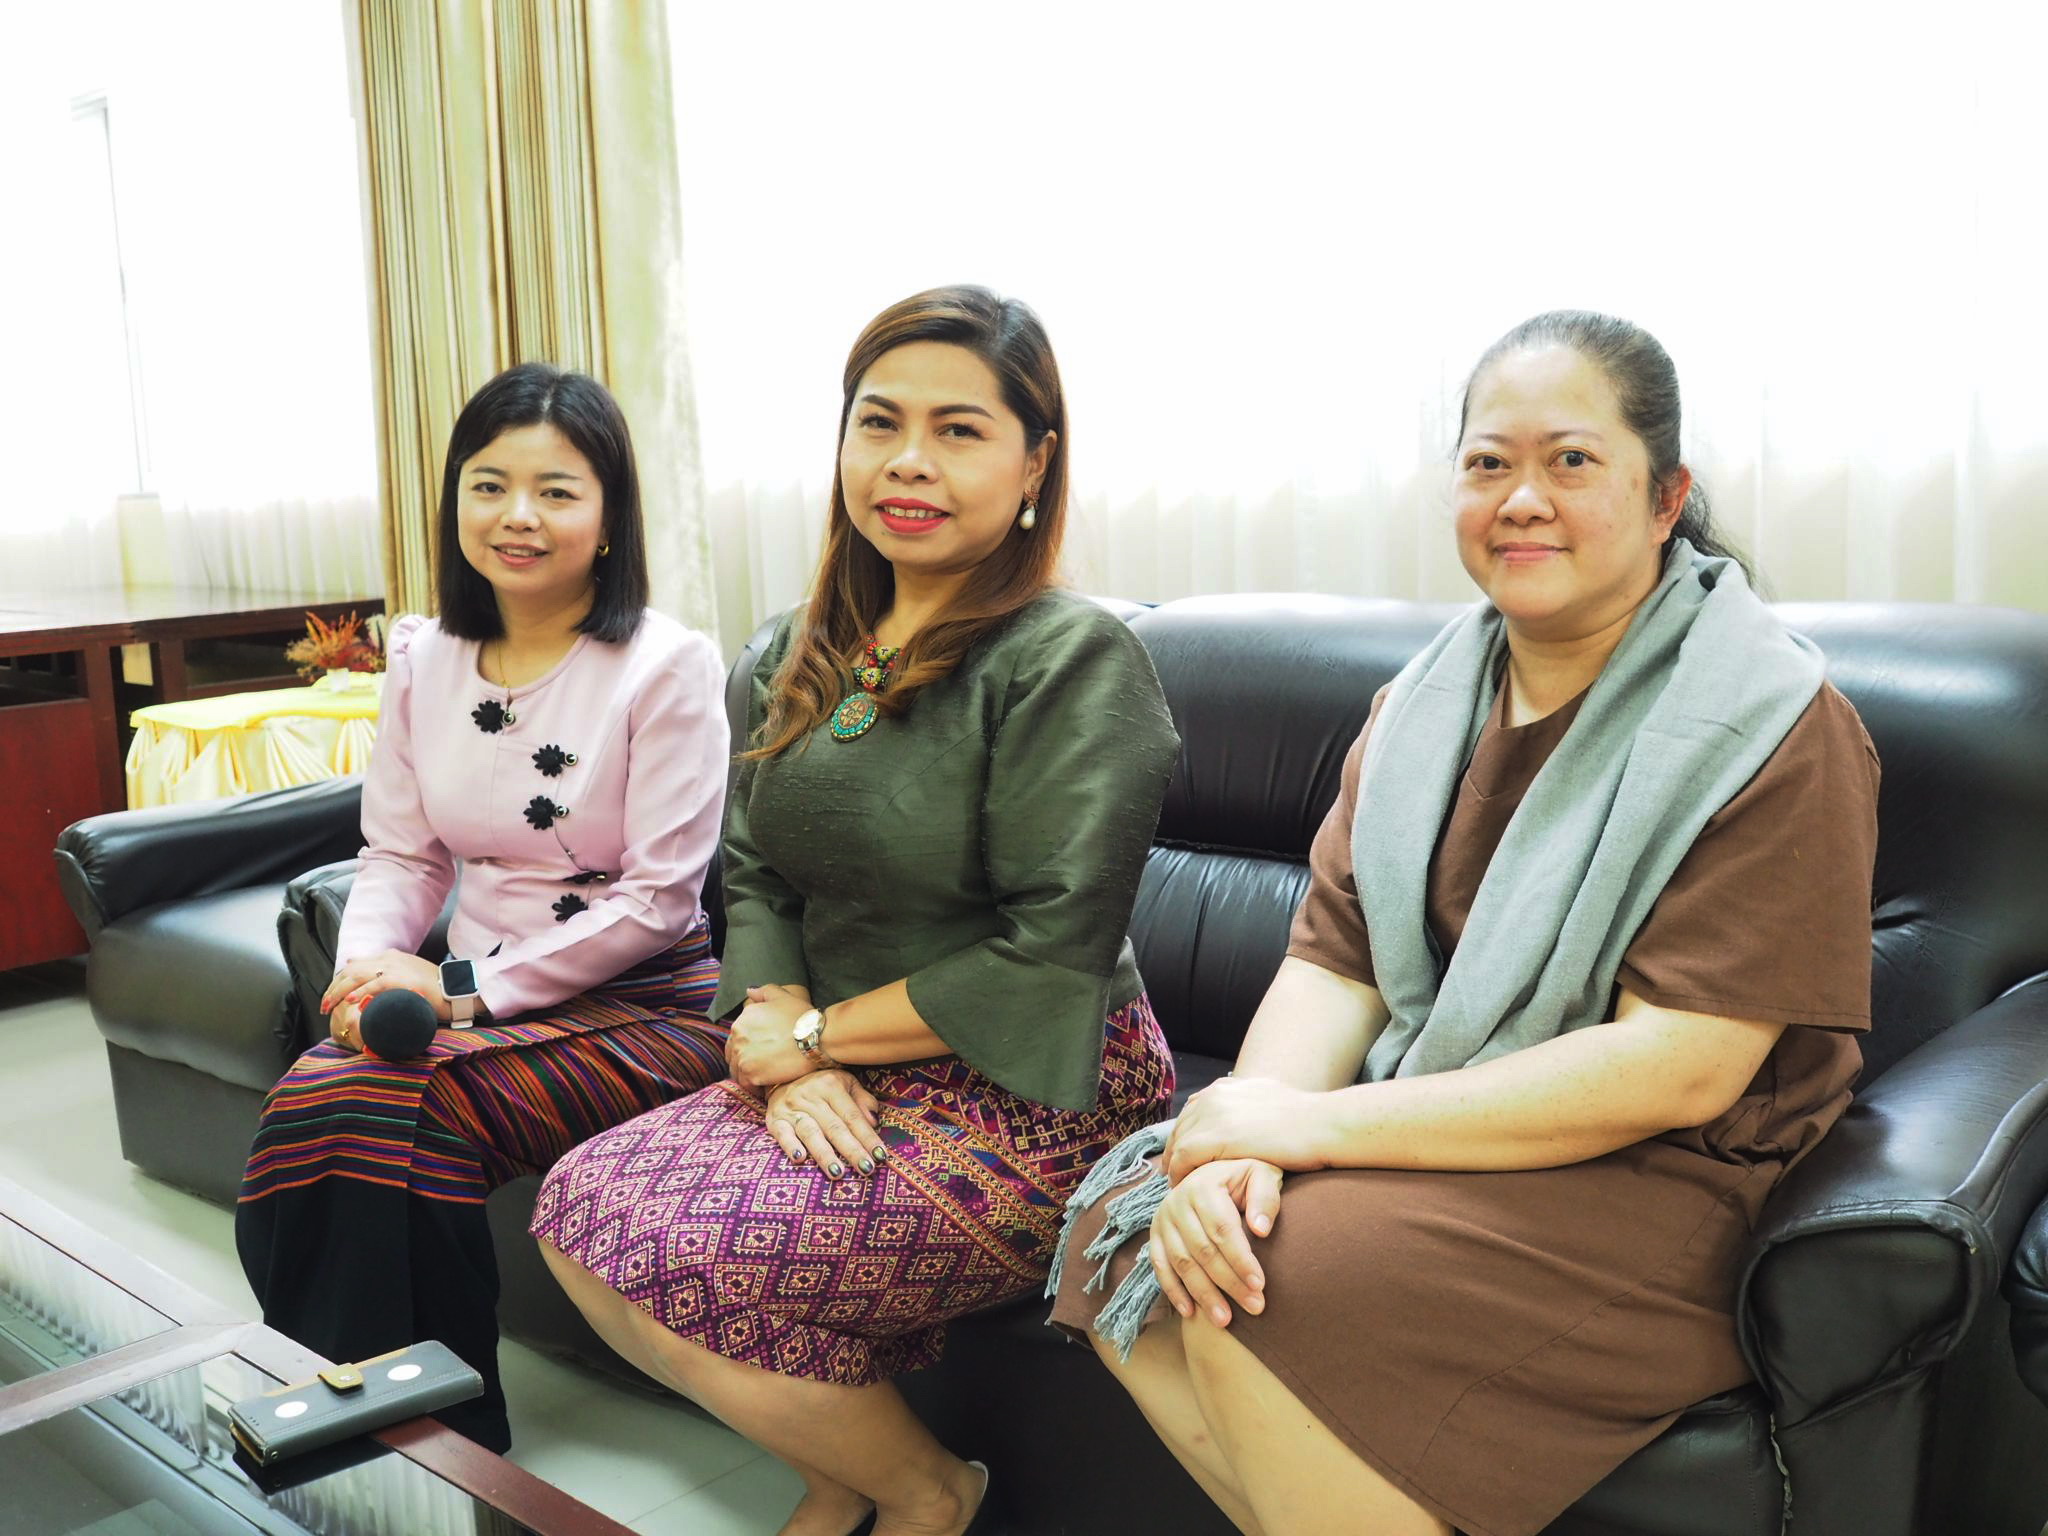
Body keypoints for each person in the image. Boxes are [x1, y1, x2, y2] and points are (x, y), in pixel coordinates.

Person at [1049, 310, 1882, 1536]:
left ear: (1665, 497)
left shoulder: (1769, 723)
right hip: (1448, 1118)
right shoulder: (1419, 706)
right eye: (1488, 463)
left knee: (1259, 1282)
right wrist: (1236, 1148)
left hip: (1667, 1174)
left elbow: (1681, 1064)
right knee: (1129, 1232)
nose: (1520, 498)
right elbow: (1331, 967)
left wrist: (1305, 1128)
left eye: (1571, 461)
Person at [531, 286, 1180, 1536]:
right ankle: (856, 1480)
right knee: (576, 1210)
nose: (907, 461)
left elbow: (1048, 955)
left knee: (672, 1251)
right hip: (835, 1051)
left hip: (1035, 1091)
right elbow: (754, 872)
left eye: (958, 430)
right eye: (878, 423)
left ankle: (932, 1498)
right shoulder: (792, 649)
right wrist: (784, 1038)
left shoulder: (1070, 660)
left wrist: (814, 1040)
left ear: (1034, 463)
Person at [236, 362, 731, 1452]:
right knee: (320, 1092)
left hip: (643, 1005)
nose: (518, 516)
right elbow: (400, 853)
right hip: (462, 1005)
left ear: (609, 518)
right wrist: (363, 973)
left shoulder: (665, 667)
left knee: (399, 1112)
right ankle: (378, 1429)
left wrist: (456, 991)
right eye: (489, 485)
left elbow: (659, 901)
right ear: (455, 498)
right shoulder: (425, 657)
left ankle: (427, 1451)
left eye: (557, 491)